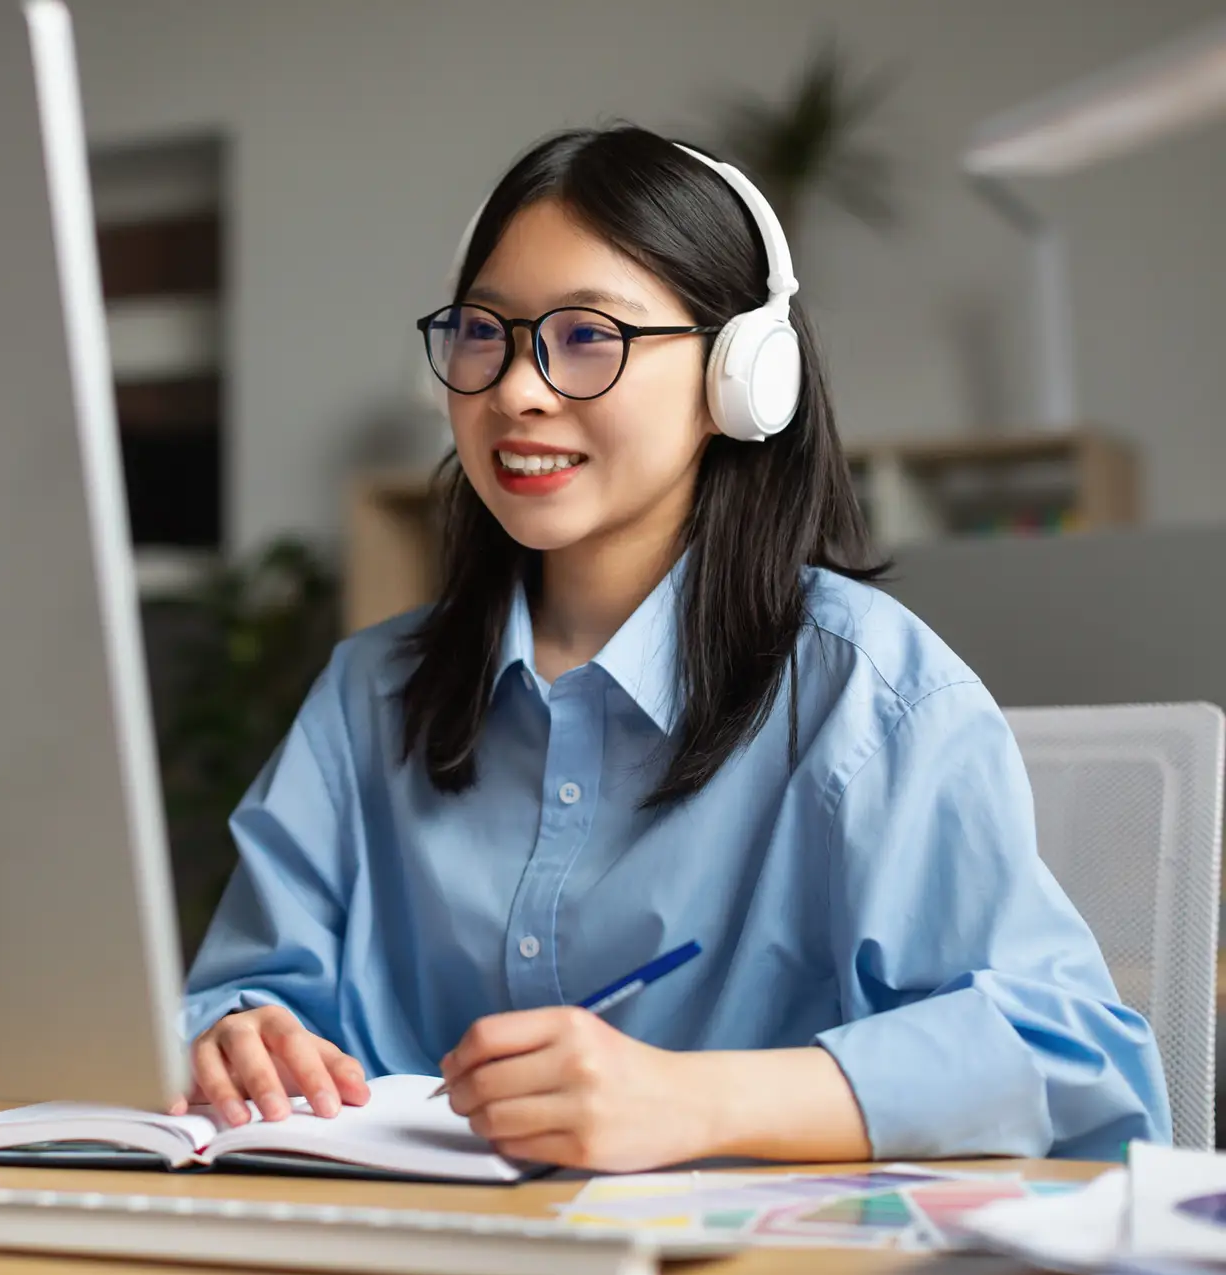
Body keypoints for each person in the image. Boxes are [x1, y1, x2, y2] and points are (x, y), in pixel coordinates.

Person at [173, 125, 1169, 1170]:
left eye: (588, 335)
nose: (517, 388)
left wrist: (696, 1099)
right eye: (484, 332)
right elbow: (248, 989)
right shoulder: (367, 694)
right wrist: (242, 1033)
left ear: (742, 377)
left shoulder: (865, 695)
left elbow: (1071, 1057)